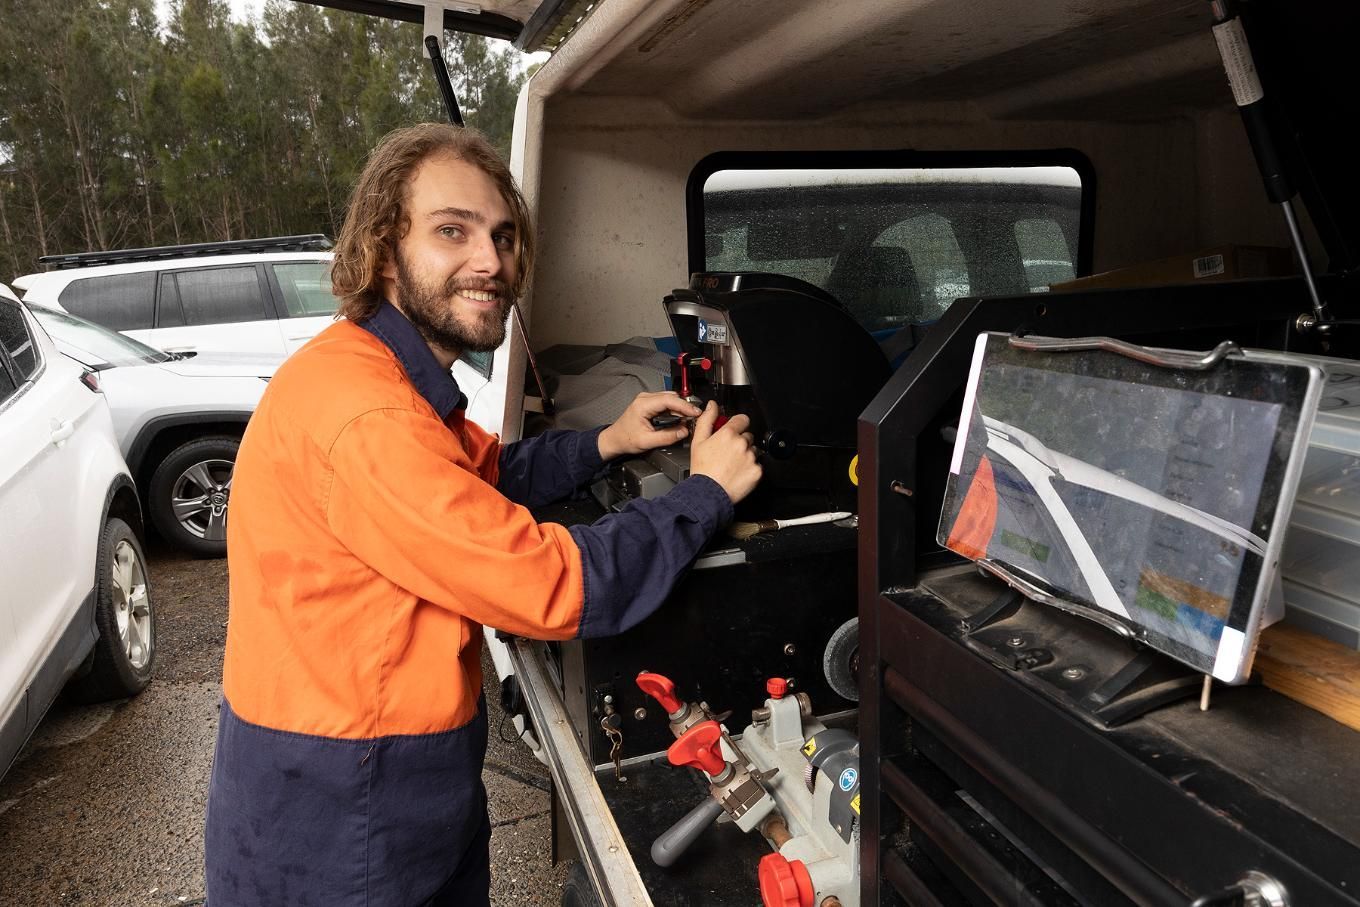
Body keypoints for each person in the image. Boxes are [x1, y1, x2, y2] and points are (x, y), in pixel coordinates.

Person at [202, 123, 762, 907]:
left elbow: (479, 473)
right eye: (451, 231)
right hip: (345, 817)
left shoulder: (372, 368)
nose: (490, 261)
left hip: (373, 777)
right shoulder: (366, 414)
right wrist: (706, 491)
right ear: (382, 246)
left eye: (502, 236)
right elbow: (557, 586)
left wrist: (609, 440)